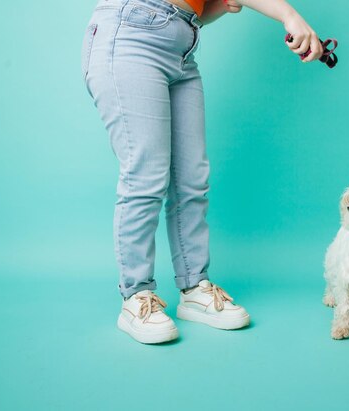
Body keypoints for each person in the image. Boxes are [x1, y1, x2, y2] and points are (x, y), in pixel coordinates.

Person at [81, 0, 323, 344]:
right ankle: (136, 297)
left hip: (181, 41)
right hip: (131, 33)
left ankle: (194, 287)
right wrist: (289, 14)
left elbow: (198, 6)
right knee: (146, 176)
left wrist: (223, 6)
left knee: (191, 179)